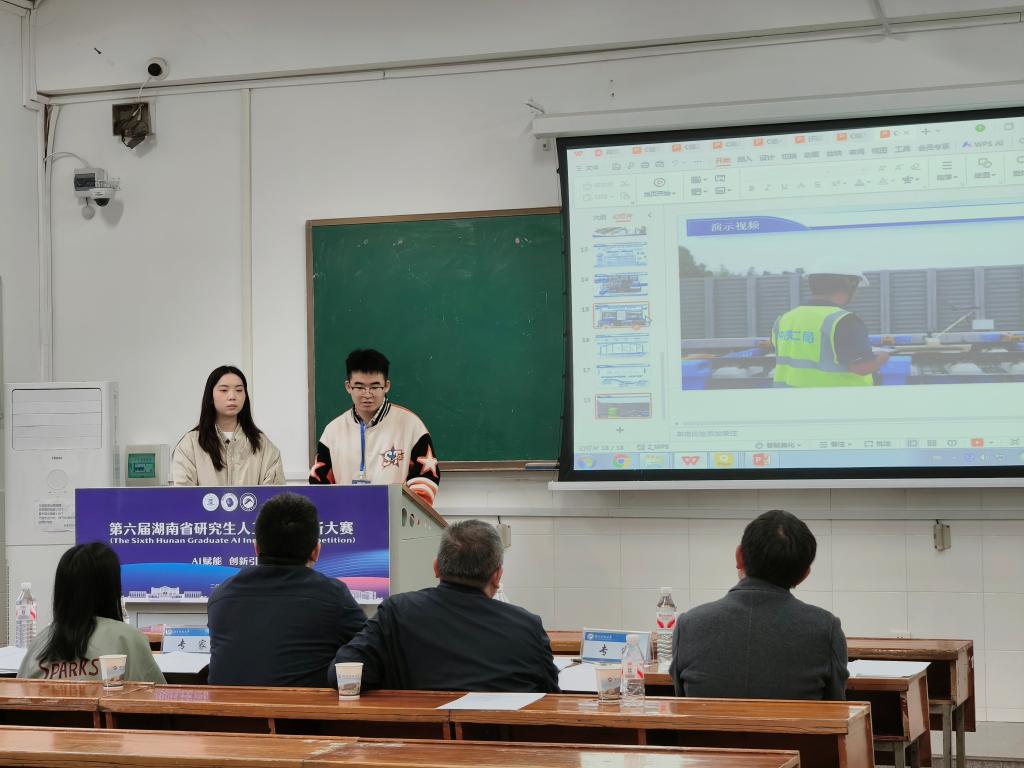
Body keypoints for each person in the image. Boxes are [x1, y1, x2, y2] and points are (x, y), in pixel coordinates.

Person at [330, 519, 558, 693]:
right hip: (499, 740)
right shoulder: (527, 627)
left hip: (414, 739)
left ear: (436, 567)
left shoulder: (397, 612)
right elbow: (550, 693)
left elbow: (340, 674)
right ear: (497, 575)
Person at [670, 509, 848, 700]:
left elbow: (681, 702)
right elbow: (836, 708)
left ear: (739, 557)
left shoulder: (689, 625)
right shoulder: (825, 629)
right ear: (804, 575)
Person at [207, 492, 366, 688]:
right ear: (316, 551)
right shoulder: (334, 596)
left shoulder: (221, 596)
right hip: (301, 708)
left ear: (256, 548)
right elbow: (372, 650)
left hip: (229, 709)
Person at [18, 543, 165, 683]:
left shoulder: (39, 643)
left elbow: (18, 694)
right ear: (111, 589)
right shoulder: (129, 638)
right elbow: (158, 694)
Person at [309, 348, 440, 505]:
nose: (367, 394)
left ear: (386, 386)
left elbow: (425, 479)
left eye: (375, 386)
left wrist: (400, 513)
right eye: (359, 387)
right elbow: (318, 485)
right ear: (348, 386)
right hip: (346, 516)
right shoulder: (332, 431)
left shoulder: (411, 425)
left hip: (395, 516)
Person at [771, 269, 890, 387]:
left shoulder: (784, 319)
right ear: (850, 285)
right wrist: (882, 358)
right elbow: (862, 367)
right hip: (836, 397)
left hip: (789, 396)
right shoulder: (844, 321)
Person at [172, 365, 284, 485]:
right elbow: (184, 493)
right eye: (224, 390)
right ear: (210, 396)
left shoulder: (263, 444)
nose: (232, 397)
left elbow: (274, 493)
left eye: (239, 390)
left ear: (245, 396)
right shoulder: (190, 444)